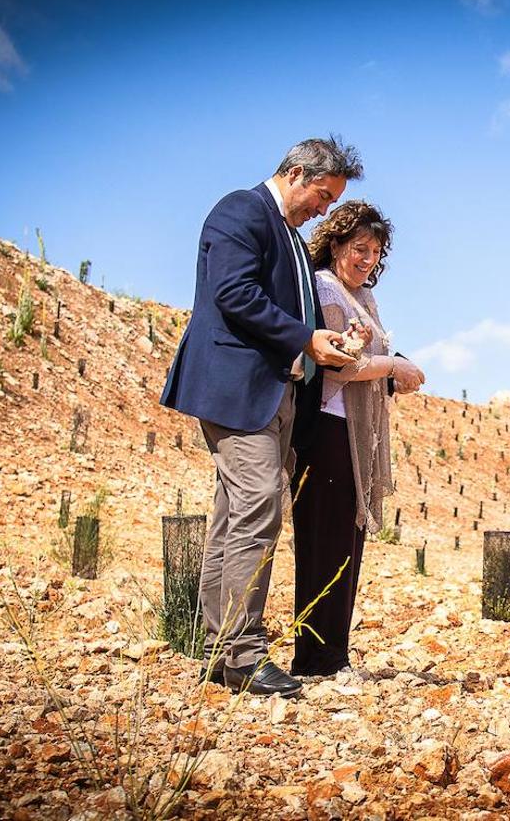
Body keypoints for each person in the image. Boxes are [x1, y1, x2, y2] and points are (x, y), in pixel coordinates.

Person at [160, 137, 363, 696]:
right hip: (237, 392)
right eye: (322, 194)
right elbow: (234, 293)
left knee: (234, 515)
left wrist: (329, 341)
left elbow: (283, 309)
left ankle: (218, 652)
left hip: (273, 396)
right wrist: (306, 338)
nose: (325, 208)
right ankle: (244, 656)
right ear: (296, 173)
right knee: (257, 509)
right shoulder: (241, 210)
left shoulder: (292, 239)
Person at [289, 200, 425, 677]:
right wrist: (393, 367)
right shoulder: (326, 287)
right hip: (327, 431)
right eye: (359, 248)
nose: (366, 259)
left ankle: (333, 654)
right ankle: (315, 658)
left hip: (355, 434)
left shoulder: (364, 297)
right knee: (324, 544)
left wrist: (393, 376)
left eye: (375, 252)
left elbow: (368, 362)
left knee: (347, 545)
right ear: (337, 244)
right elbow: (338, 363)